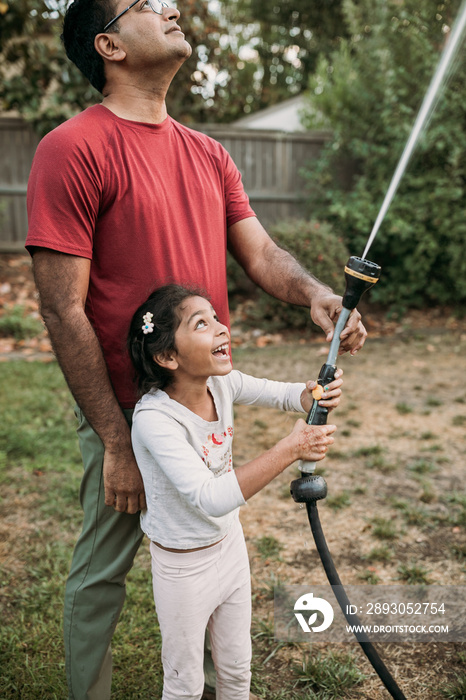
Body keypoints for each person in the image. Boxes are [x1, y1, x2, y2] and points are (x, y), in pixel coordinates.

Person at [25, 1, 366, 699]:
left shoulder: (207, 152)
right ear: (109, 45)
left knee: (210, 548)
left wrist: (313, 294)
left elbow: (262, 251)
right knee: (101, 573)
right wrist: (117, 440)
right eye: (144, 4)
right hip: (132, 414)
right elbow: (62, 308)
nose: (171, 7)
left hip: (208, 404)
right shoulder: (72, 148)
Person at [127, 284, 343, 700]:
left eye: (216, 317)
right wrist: (290, 449)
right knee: (185, 682)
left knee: (236, 666)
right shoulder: (155, 419)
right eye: (202, 324)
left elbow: (286, 395)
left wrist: (313, 393)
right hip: (183, 568)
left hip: (229, 548)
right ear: (167, 356)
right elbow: (209, 497)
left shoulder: (222, 385)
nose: (222, 329)